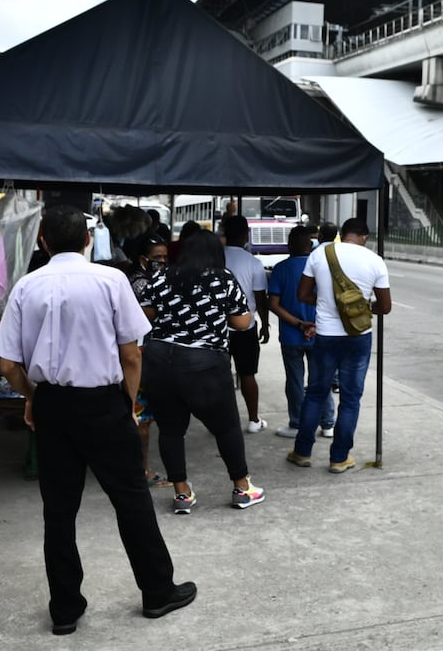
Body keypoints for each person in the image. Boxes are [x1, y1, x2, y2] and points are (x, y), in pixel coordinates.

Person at [0, 205, 196, 635]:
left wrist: (33, 397)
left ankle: (65, 609)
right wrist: (128, 401)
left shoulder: (27, 286)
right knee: (131, 499)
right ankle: (157, 591)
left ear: (42, 242)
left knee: (59, 511)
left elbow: (7, 363)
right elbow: (132, 352)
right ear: (88, 240)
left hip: (52, 405)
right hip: (105, 403)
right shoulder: (110, 280)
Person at [139, 230, 265, 512]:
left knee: (171, 431)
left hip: (159, 360)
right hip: (204, 362)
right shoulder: (222, 278)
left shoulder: (161, 277)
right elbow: (243, 322)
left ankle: (182, 494)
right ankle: (242, 488)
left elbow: (144, 315)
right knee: (226, 427)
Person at [288, 218, 391, 474]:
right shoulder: (374, 260)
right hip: (358, 337)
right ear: (364, 236)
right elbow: (385, 307)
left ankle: (302, 452)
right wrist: (363, 309)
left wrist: (326, 303)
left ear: (342, 235)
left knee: (316, 393)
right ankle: (339, 458)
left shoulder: (320, 254)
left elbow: (302, 294)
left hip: (326, 336)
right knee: (351, 398)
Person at [269, 226, 334, 439]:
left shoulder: (280, 269)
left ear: (289, 246)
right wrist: (314, 325)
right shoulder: (322, 267)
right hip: (320, 333)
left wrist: (299, 324)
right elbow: (330, 301)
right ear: (310, 245)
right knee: (321, 378)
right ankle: (327, 424)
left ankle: (297, 423)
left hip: (291, 335)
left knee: (295, 380)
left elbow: (274, 305)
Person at [124, 234, 171, 486]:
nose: (162, 262)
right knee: (140, 418)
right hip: (139, 355)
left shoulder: (142, 279)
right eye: (157, 258)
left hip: (143, 353)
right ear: (143, 259)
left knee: (141, 418)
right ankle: (140, 471)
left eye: (165, 257)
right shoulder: (142, 284)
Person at [220, 214, 270, 432]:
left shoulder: (215, 258)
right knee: (248, 374)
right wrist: (265, 325)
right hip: (245, 326)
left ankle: (221, 422)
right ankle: (253, 419)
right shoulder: (253, 263)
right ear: (245, 234)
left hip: (217, 327)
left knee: (220, 376)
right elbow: (260, 299)